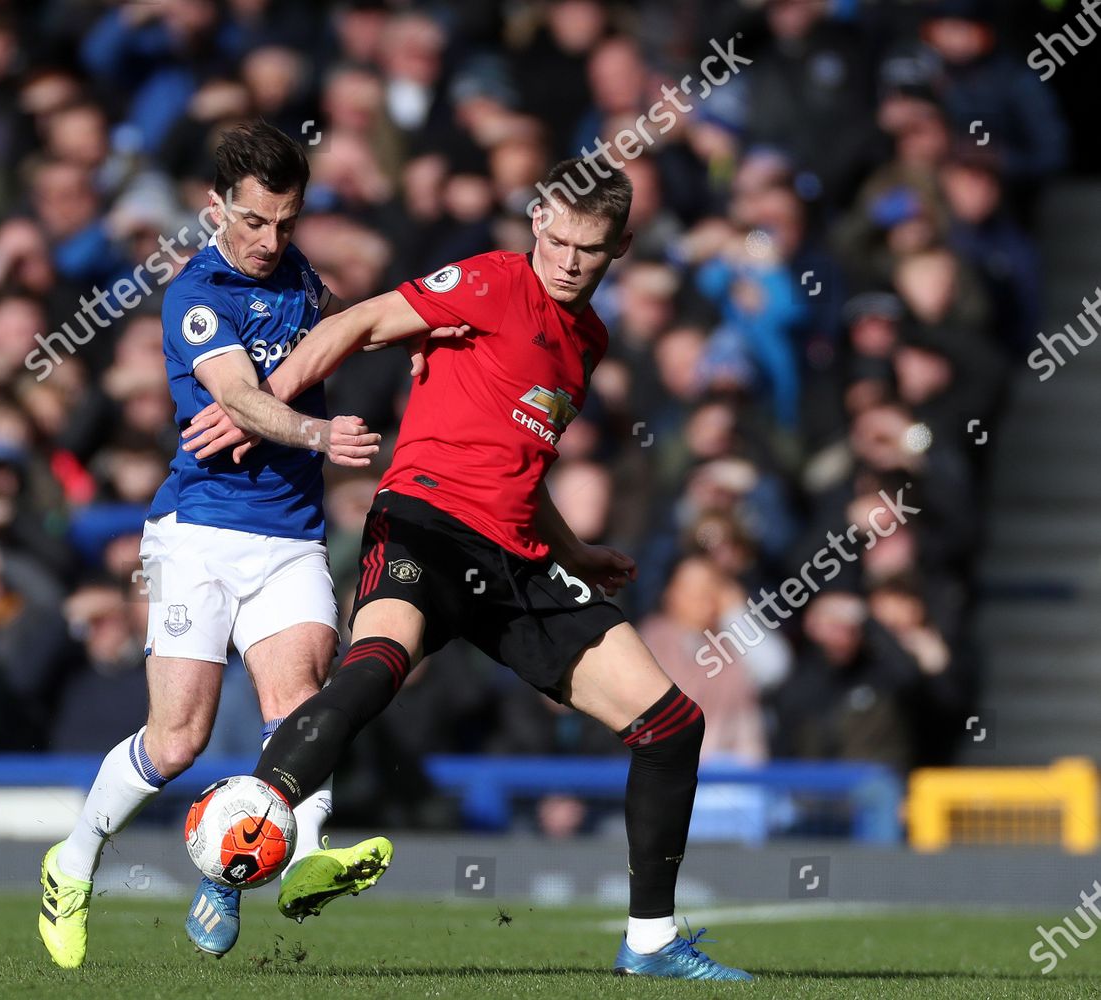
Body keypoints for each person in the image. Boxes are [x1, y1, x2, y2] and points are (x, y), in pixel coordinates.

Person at [184, 157, 750, 980]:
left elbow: (524, 460)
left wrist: (576, 552)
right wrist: (262, 410)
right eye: (553, 238)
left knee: (672, 725)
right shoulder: (490, 281)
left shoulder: (587, 340)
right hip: (427, 523)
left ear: (620, 245)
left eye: (586, 249)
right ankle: (231, 853)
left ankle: (652, 942)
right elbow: (360, 323)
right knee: (373, 672)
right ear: (535, 224)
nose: (564, 261)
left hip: (516, 556)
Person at [38, 122, 445, 968]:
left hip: (292, 535)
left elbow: (347, 326)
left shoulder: (299, 275)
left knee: (301, 710)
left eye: (287, 222)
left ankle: (293, 862)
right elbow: (241, 399)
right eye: (255, 221)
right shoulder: (195, 292)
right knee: (178, 740)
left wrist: (429, 339)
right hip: (200, 534)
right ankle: (71, 862)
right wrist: (318, 434)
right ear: (215, 207)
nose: (270, 240)